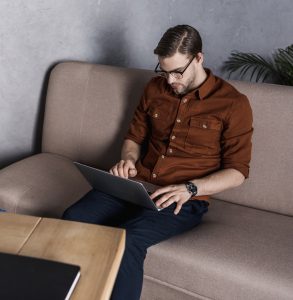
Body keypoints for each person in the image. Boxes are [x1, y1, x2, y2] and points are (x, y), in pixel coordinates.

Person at [62, 24, 253, 299]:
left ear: (198, 58)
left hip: (182, 199)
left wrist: (191, 188)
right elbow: (133, 138)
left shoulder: (233, 104)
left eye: (177, 72)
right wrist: (127, 160)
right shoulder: (154, 89)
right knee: (73, 218)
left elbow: (238, 172)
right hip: (135, 184)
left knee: (128, 240)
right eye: (164, 71)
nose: (171, 80)